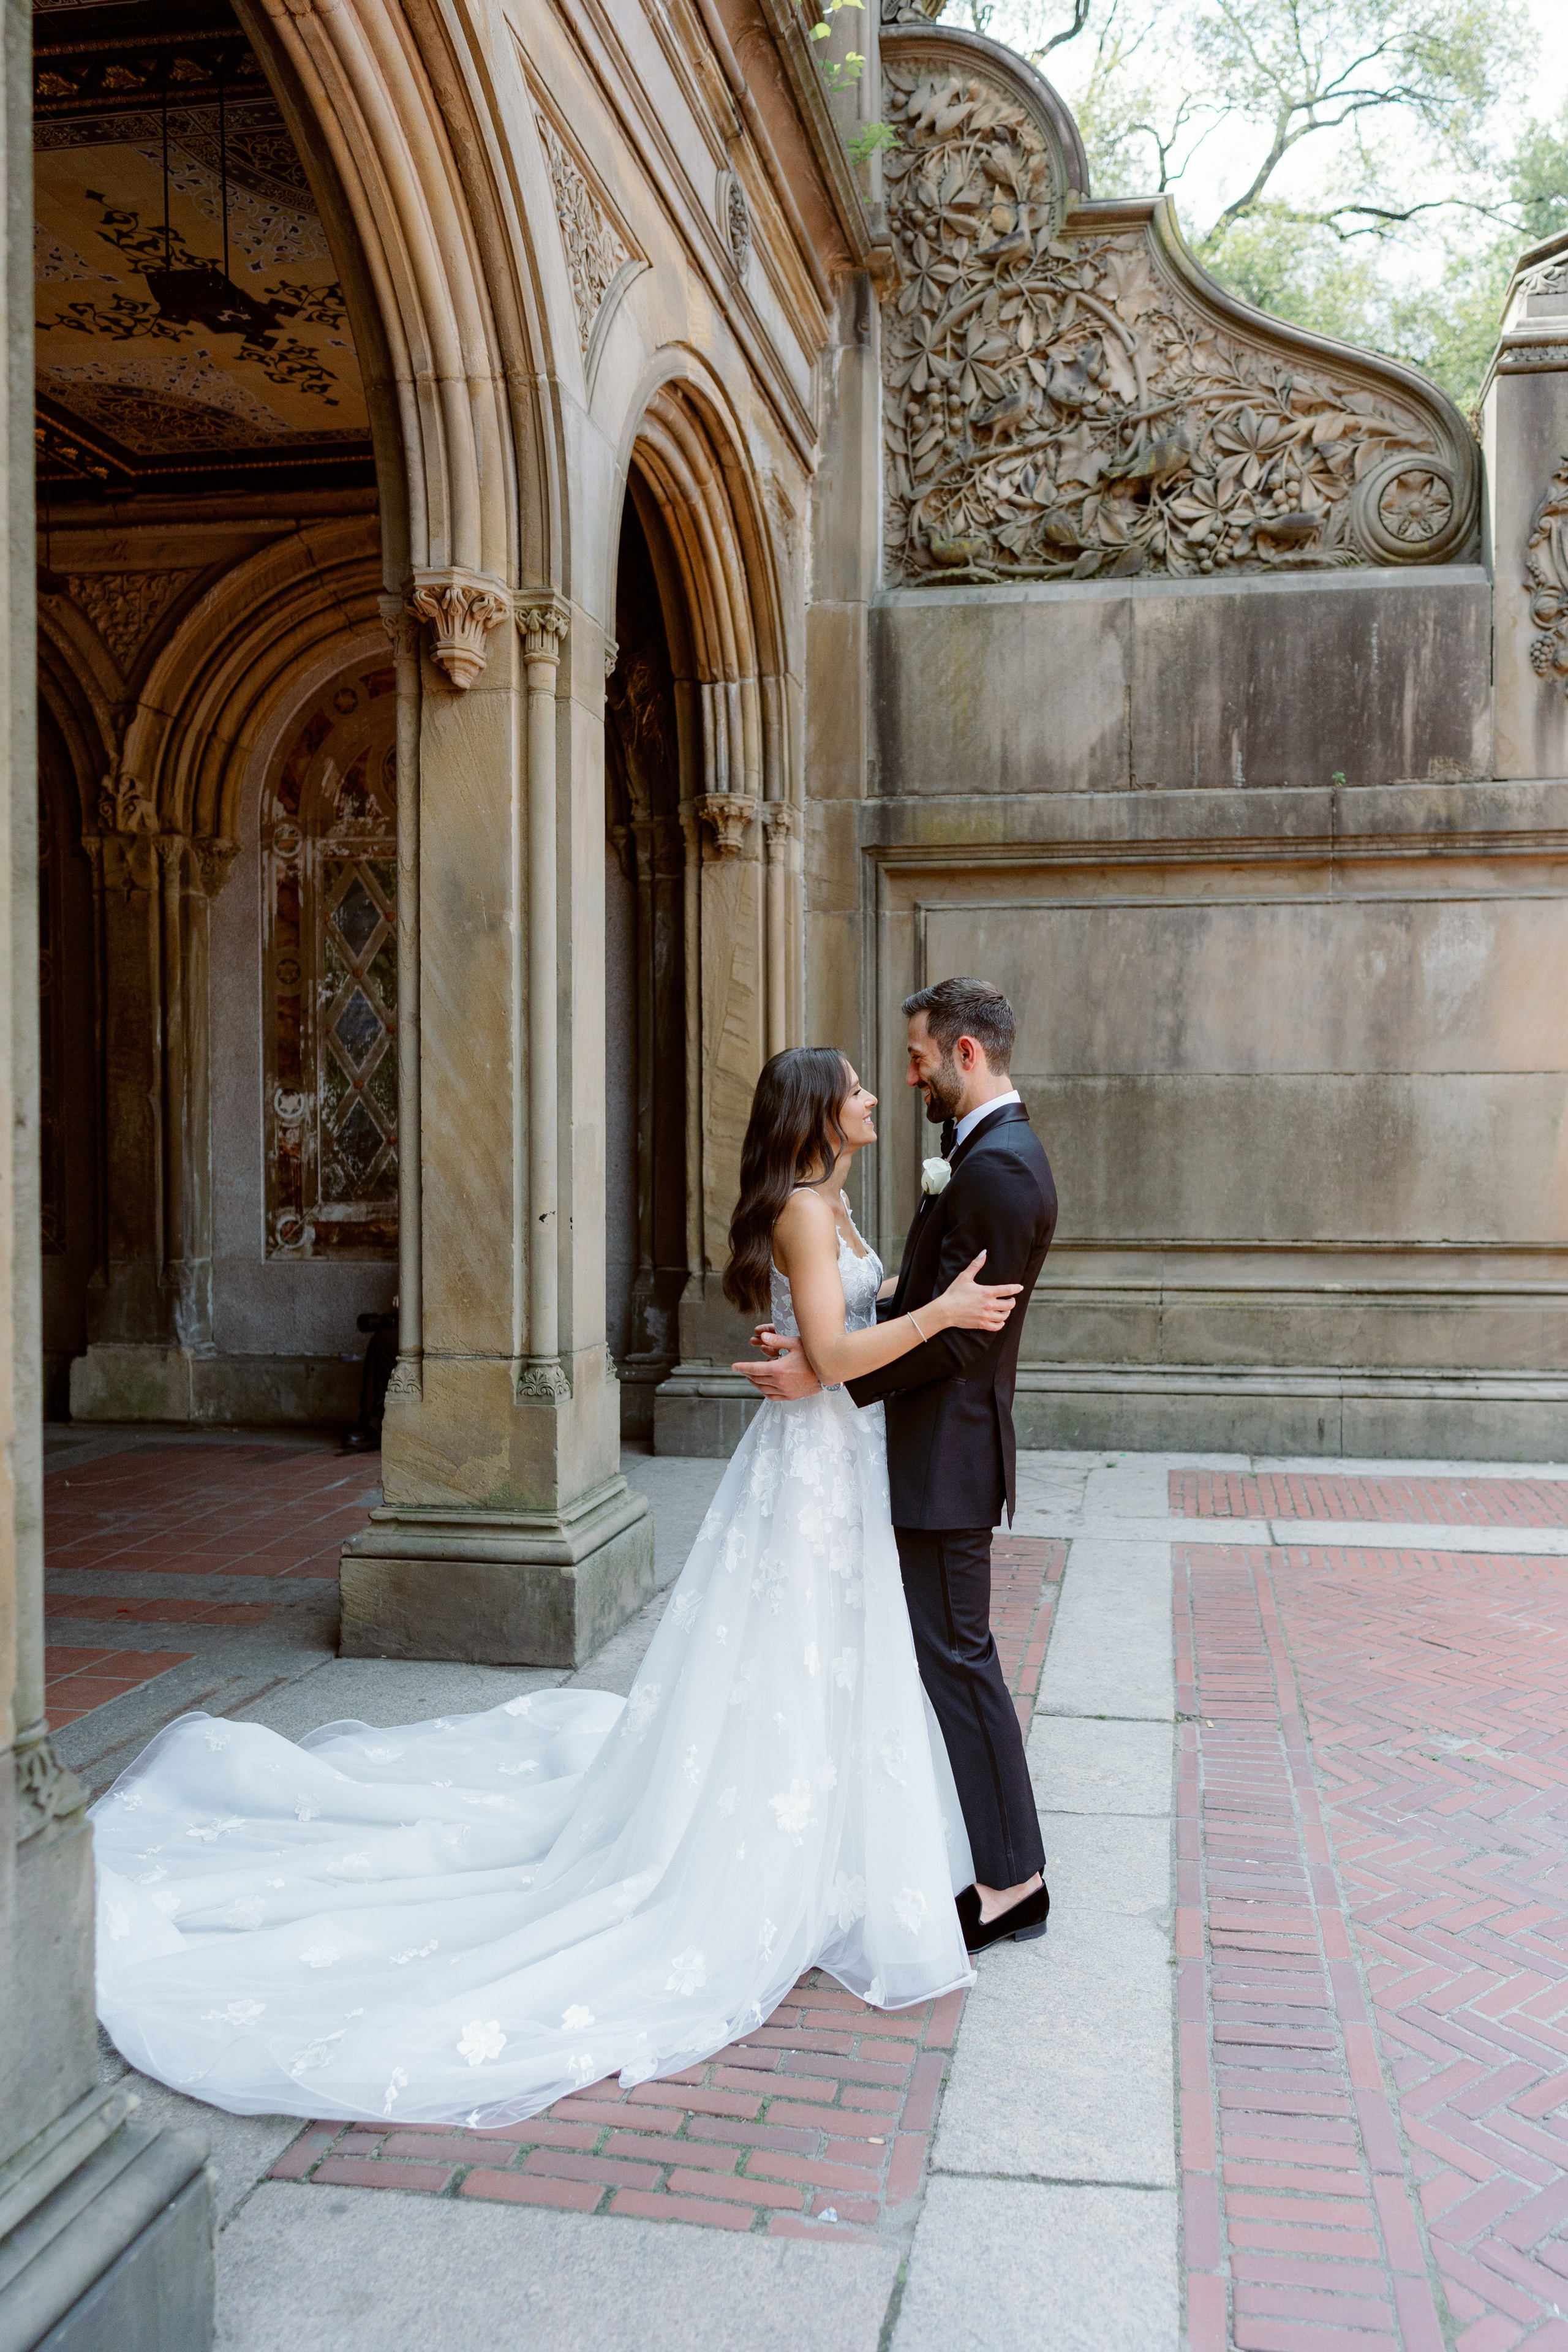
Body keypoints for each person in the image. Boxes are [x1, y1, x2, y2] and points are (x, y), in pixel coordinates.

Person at [90, 1047, 1020, 2127]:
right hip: (813, 1472)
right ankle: (774, 1868)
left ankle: (834, 1854)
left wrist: (887, 1307)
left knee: (837, 1661)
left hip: (836, 1468)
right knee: (800, 1655)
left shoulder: (834, 1206)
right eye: (857, 1088)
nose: (872, 1098)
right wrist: (941, 1316)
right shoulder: (808, 1216)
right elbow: (836, 1354)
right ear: (819, 1113)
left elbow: (831, 1338)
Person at [741, 981, 1056, 1952]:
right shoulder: (983, 1158)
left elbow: (967, 1337)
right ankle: (993, 1863)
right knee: (935, 1658)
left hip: (942, 1455)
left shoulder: (997, 1171)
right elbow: (922, 1309)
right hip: (914, 1449)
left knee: (958, 1663)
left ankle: (1014, 1882)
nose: (899, 1077)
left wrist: (828, 1368)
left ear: (966, 1054)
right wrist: (825, 1349)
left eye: (916, 1056)